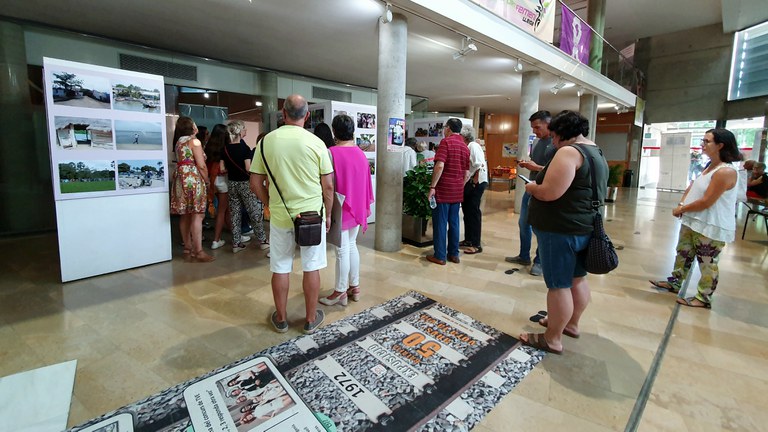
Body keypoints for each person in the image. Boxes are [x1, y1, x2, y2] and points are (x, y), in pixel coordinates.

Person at [519, 110, 608, 354]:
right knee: (577, 278)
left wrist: (532, 187)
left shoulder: (569, 152)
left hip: (560, 228)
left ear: (562, 133)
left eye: (554, 135)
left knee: (558, 284)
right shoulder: (595, 150)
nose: (552, 141)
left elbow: (549, 192)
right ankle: (570, 324)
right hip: (583, 225)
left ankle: (552, 338)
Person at [250, 94, 334, 334]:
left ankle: (282, 318)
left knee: (280, 266)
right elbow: (328, 186)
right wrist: (327, 214)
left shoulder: (266, 142)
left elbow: (255, 182)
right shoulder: (317, 143)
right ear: (307, 116)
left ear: (283, 114)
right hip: (312, 216)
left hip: (280, 215)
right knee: (312, 266)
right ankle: (309, 319)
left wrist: (268, 203)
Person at [649, 128, 740, 309]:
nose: (702, 145)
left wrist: (682, 209)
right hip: (693, 220)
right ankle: (675, 282)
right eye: (703, 141)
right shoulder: (709, 166)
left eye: (707, 142)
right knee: (683, 253)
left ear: (720, 145)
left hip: (710, 224)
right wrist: (683, 205)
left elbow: (707, 201)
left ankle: (704, 298)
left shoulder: (725, 172)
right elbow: (693, 186)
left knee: (707, 262)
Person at [319, 114, 374, 306]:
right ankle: (355, 286)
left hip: (340, 207)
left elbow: (327, 185)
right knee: (351, 246)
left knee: (342, 251)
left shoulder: (330, 152)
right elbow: (365, 182)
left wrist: (326, 211)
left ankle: (340, 291)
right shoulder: (360, 153)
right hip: (356, 205)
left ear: (334, 131)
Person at [506, 110, 556, 276]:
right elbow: (539, 165)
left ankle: (540, 262)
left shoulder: (557, 143)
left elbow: (557, 171)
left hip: (546, 190)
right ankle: (523, 255)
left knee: (541, 227)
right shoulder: (536, 142)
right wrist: (528, 165)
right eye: (533, 128)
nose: (534, 131)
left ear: (548, 124)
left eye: (537, 127)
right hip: (532, 186)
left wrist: (536, 167)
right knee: (523, 223)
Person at [169, 116, 214, 262]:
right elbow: (201, 164)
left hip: (180, 178)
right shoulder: (194, 141)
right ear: (192, 126)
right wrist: (207, 180)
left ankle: (187, 248)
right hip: (193, 179)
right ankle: (198, 251)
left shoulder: (178, 142)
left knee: (185, 214)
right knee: (198, 214)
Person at [426, 118, 470, 265]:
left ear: (449, 128)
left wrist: (433, 187)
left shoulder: (446, 142)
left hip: (444, 190)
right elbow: (467, 173)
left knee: (440, 223)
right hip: (457, 192)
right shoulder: (465, 146)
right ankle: (454, 254)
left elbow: (439, 166)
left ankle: (439, 255)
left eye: (445, 127)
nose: (444, 130)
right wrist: (459, 186)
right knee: (455, 222)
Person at [225, 120, 269, 254]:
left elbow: (222, 167)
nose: (246, 131)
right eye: (244, 129)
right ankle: (262, 240)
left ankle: (236, 243)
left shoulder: (225, 149)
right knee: (254, 211)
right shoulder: (244, 149)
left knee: (235, 213)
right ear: (239, 131)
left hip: (232, 183)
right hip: (244, 183)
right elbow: (248, 168)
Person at [459, 126, 488, 254]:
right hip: (471, 182)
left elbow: (479, 164)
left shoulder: (473, 146)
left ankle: (476, 244)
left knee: (473, 212)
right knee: (467, 211)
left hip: (476, 182)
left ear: (464, 136)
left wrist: (474, 182)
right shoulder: (469, 146)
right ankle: (469, 239)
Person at [204, 124, 233, 249]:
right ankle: (216, 240)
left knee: (225, 210)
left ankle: (235, 233)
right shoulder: (226, 149)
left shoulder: (208, 147)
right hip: (223, 181)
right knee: (222, 211)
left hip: (211, 180)